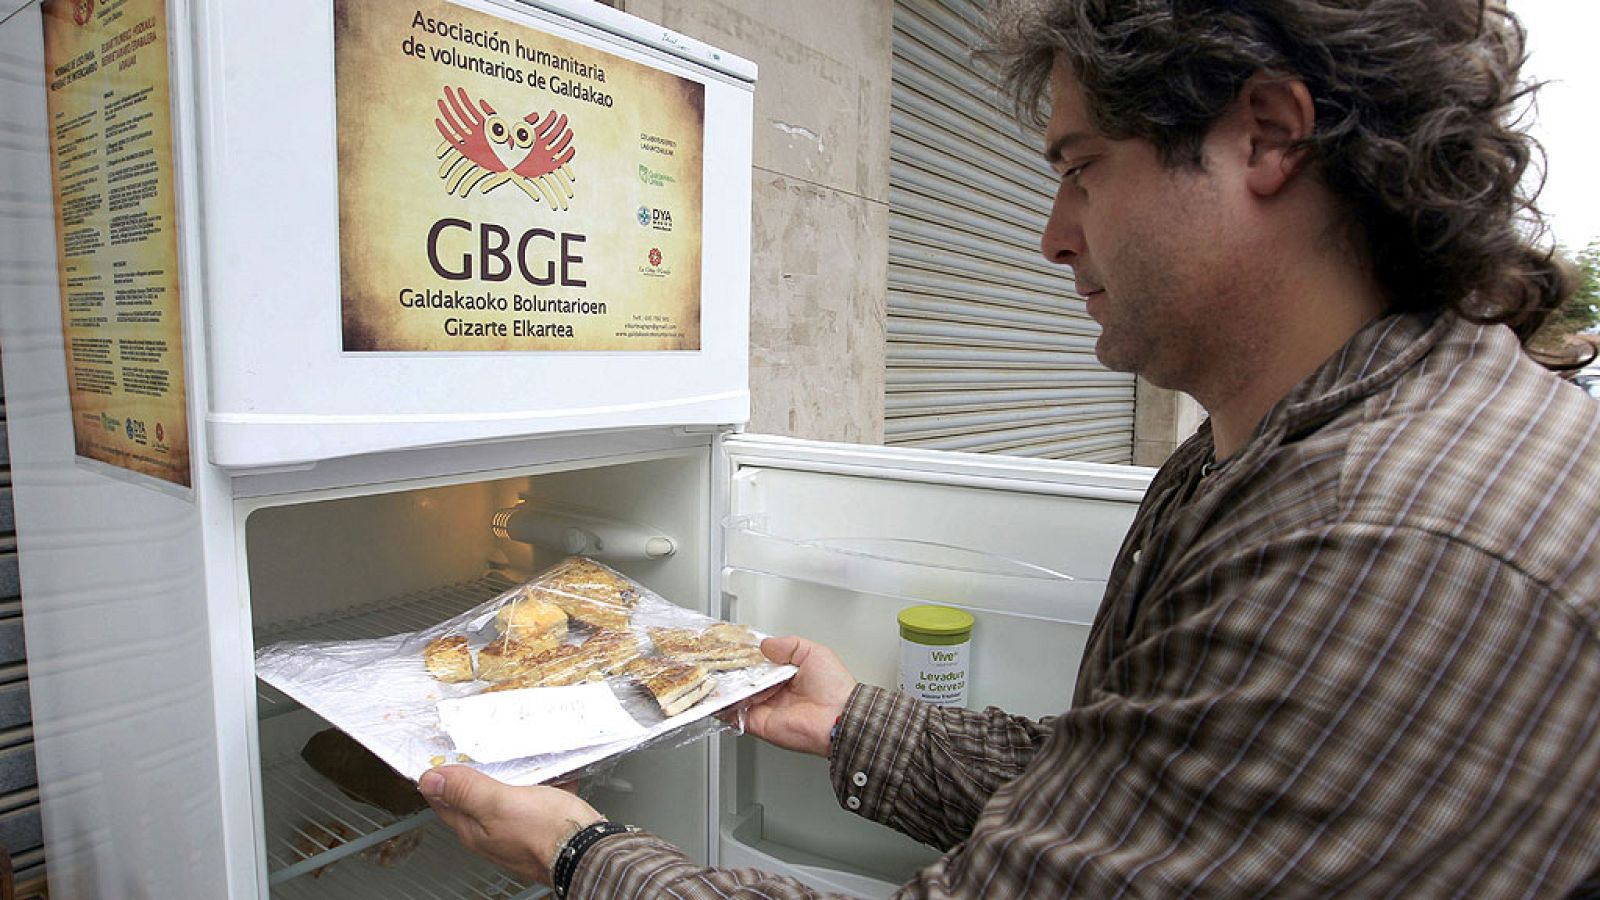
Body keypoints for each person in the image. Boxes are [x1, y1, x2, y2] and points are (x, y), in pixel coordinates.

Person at [420, 0, 1600, 896]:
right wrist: (852, 721)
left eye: (1081, 170)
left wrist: (583, 851)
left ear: (1268, 136)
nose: (1049, 237)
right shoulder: (1272, 438)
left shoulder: (1390, 538)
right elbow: (1145, 782)